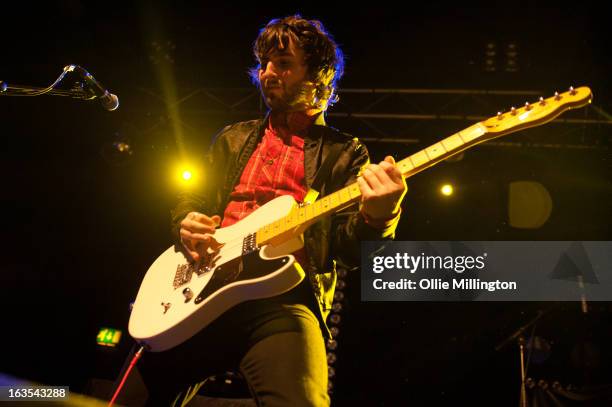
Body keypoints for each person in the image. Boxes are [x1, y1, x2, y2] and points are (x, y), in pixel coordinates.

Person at [139, 15, 407, 407]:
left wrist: (381, 216)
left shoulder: (345, 154)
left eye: (283, 63)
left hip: (283, 298)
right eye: (265, 63)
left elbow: (349, 252)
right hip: (200, 291)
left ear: (319, 76)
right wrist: (186, 220)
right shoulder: (233, 137)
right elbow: (192, 200)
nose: (268, 73)